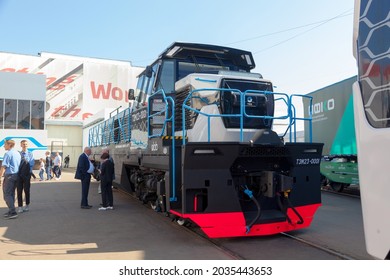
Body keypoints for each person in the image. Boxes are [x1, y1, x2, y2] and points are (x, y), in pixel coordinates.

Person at [0, 140, 21, 219]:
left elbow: (4, 166)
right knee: (11, 194)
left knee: (7, 195)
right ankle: (11, 210)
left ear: (9, 145)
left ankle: (13, 212)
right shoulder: (17, 153)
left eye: (5, 144)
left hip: (9, 176)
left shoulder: (8, 154)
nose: (4, 146)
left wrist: (0, 177)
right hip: (16, 175)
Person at [17, 139, 35, 213]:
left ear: (27, 145)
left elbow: (31, 164)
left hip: (27, 175)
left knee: (27, 191)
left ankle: (27, 205)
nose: (25, 145)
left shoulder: (30, 154)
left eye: (26, 144)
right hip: (19, 175)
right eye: (23, 144)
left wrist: (29, 173)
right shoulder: (18, 154)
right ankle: (20, 207)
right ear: (21, 145)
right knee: (19, 191)